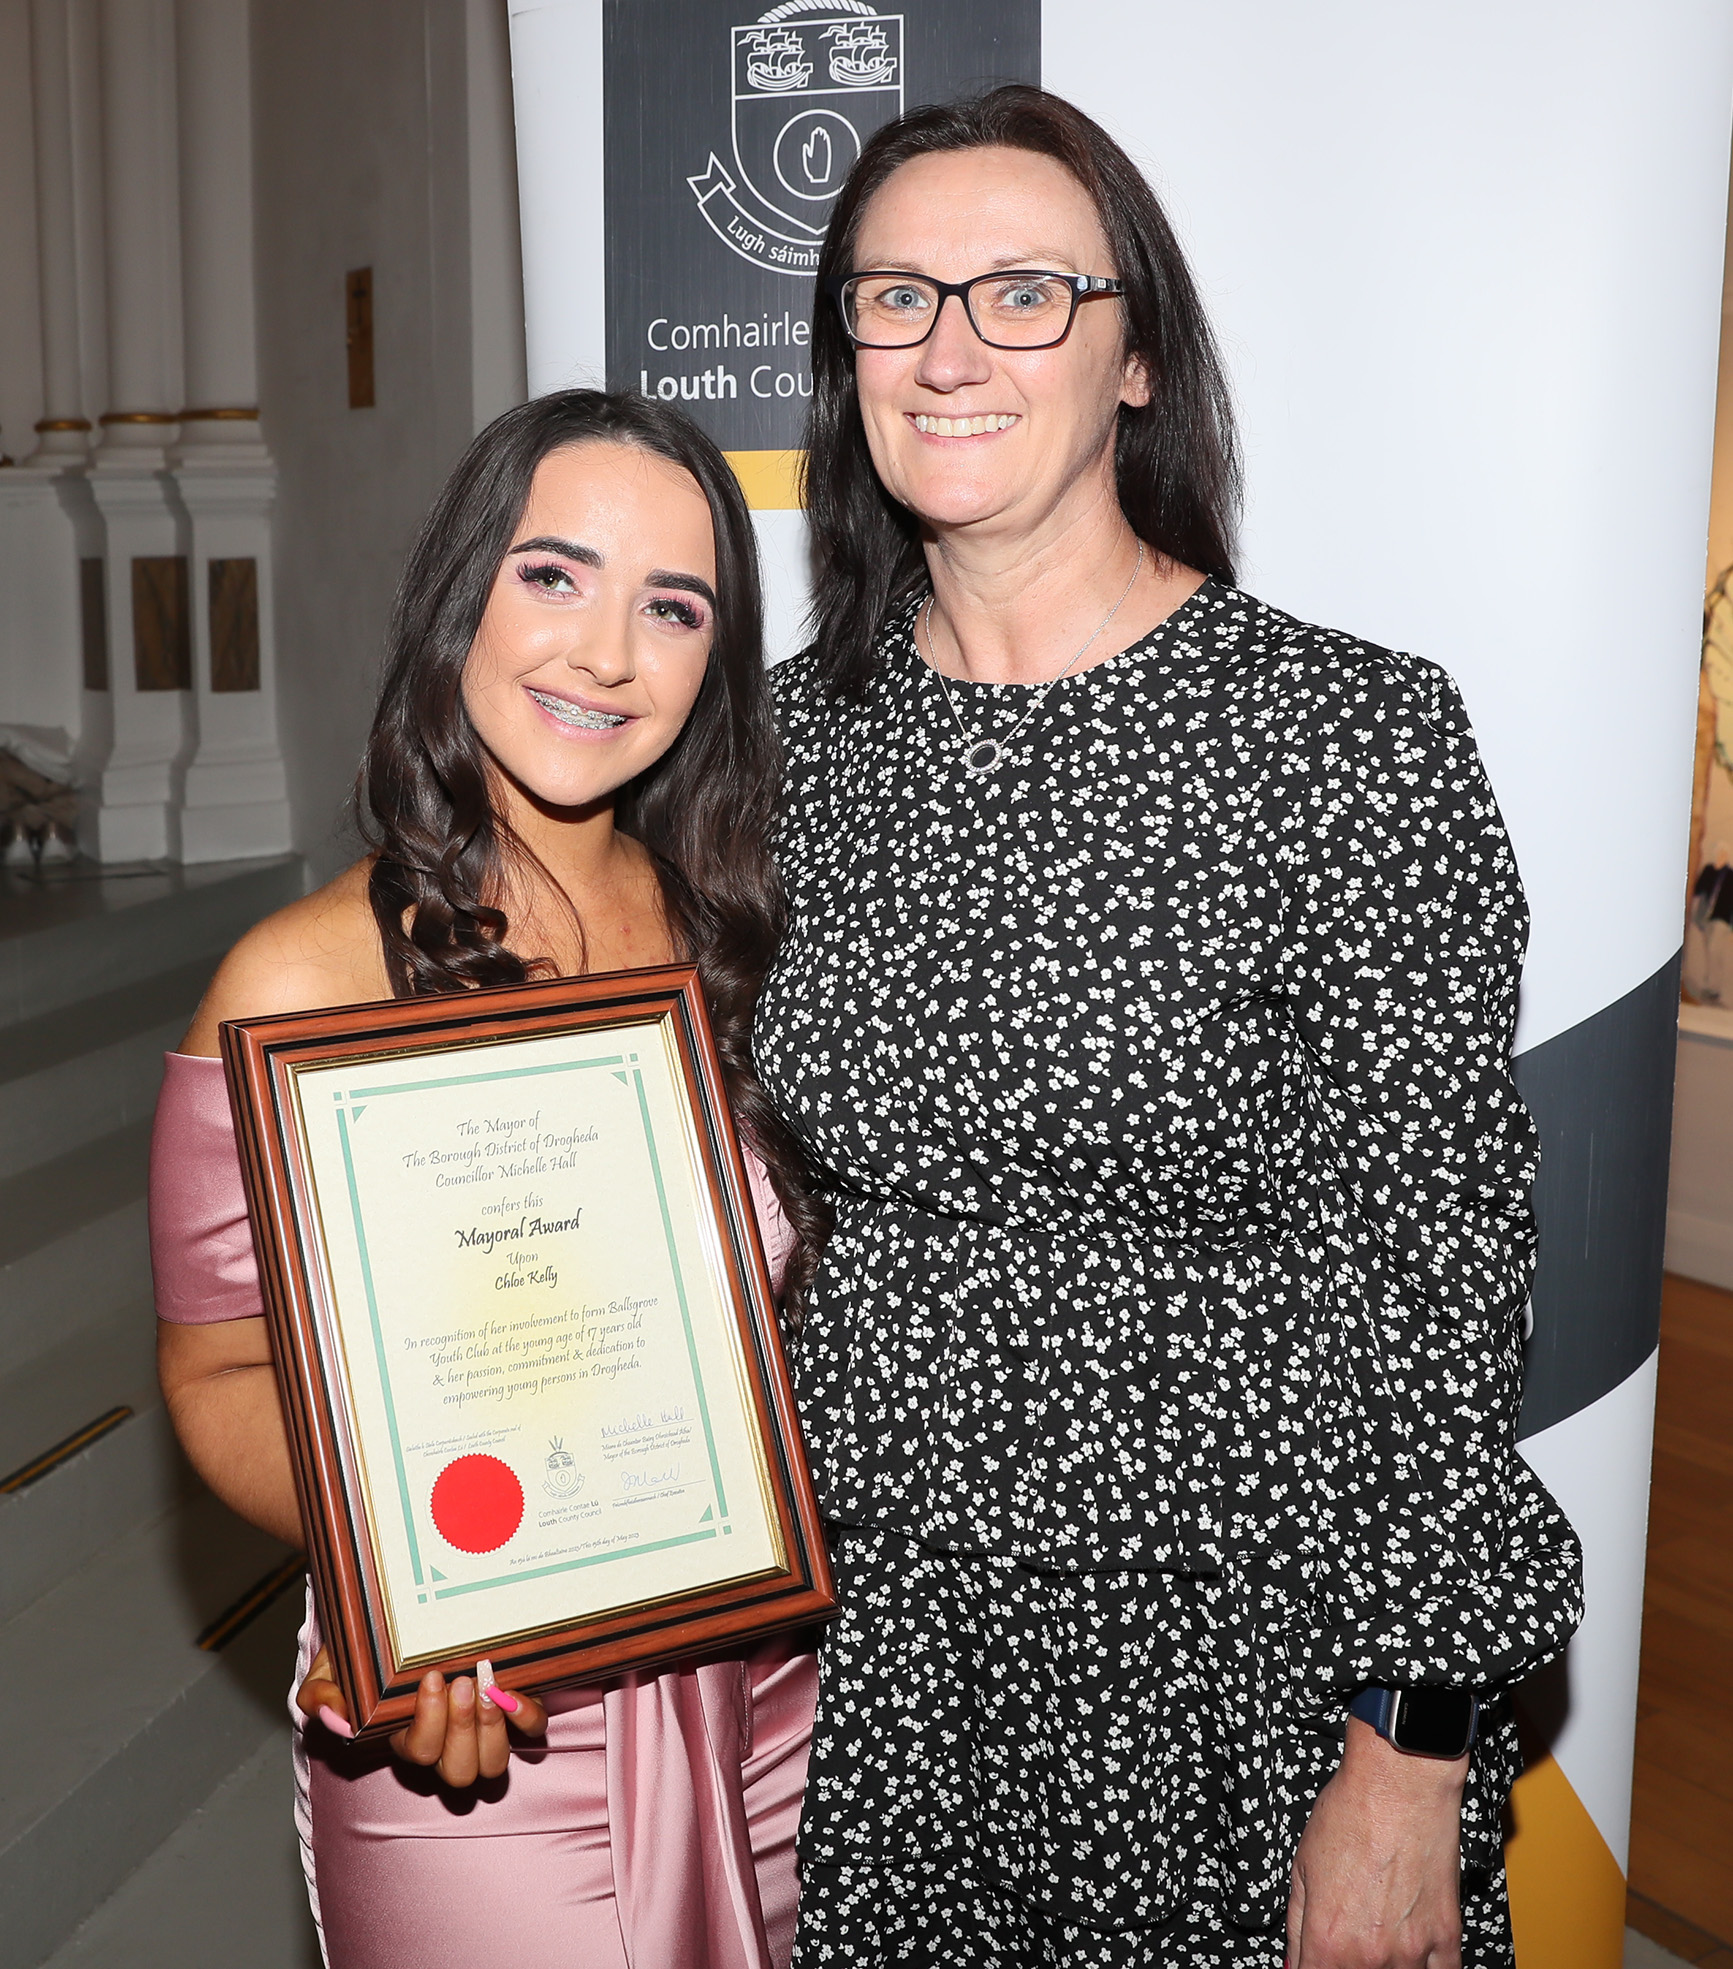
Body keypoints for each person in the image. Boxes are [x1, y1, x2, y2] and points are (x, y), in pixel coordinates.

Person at [750, 86, 1583, 1969]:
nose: (949, 348)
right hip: (893, 1682)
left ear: (1136, 360)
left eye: (1022, 292)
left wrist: (1405, 1758)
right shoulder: (784, 751)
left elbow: (1436, 1280)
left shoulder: (1342, 738)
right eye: (894, 297)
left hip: (1248, 1677)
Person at [152, 390, 824, 1969]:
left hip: (777, 1706)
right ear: (463, 592)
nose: (605, 653)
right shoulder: (299, 979)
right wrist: (412, 1592)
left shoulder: (745, 939)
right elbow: (219, 1370)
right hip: (482, 1734)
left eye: (672, 608)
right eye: (554, 575)